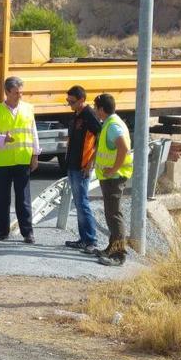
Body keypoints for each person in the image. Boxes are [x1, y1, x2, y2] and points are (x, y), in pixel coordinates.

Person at [0, 76, 39, 243]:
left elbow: (33, 133)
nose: (20, 96)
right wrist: (3, 138)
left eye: (21, 92)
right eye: (16, 93)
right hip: (3, 161)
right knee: (2, 199)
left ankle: (27, 232)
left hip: (22, 159)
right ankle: (2, 231)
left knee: (23, 199)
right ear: (7, 92)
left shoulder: (28, 109)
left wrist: (35, 155)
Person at [92, 93, 133, 266]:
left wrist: (113, 169)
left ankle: (119, 254)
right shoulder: (110, 123)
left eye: (96, 108)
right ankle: (111, 248)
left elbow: (123, 148)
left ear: (101, 109)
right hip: (110, 177)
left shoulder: (113, 125)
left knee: (114, 215)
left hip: (114, 177)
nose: (94, 111)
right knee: (110, 214)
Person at [64, 85, 102, 254]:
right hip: (72, 165)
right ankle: (83, 239)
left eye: (72, 101)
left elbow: (99, 139)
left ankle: (91, 240)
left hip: (82, 166)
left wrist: (90, 163)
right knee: (78, 204)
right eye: (68, 101)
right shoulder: (77, 113)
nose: (69, 104)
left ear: (81, 100)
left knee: (83, 203)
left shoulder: (89, 115)